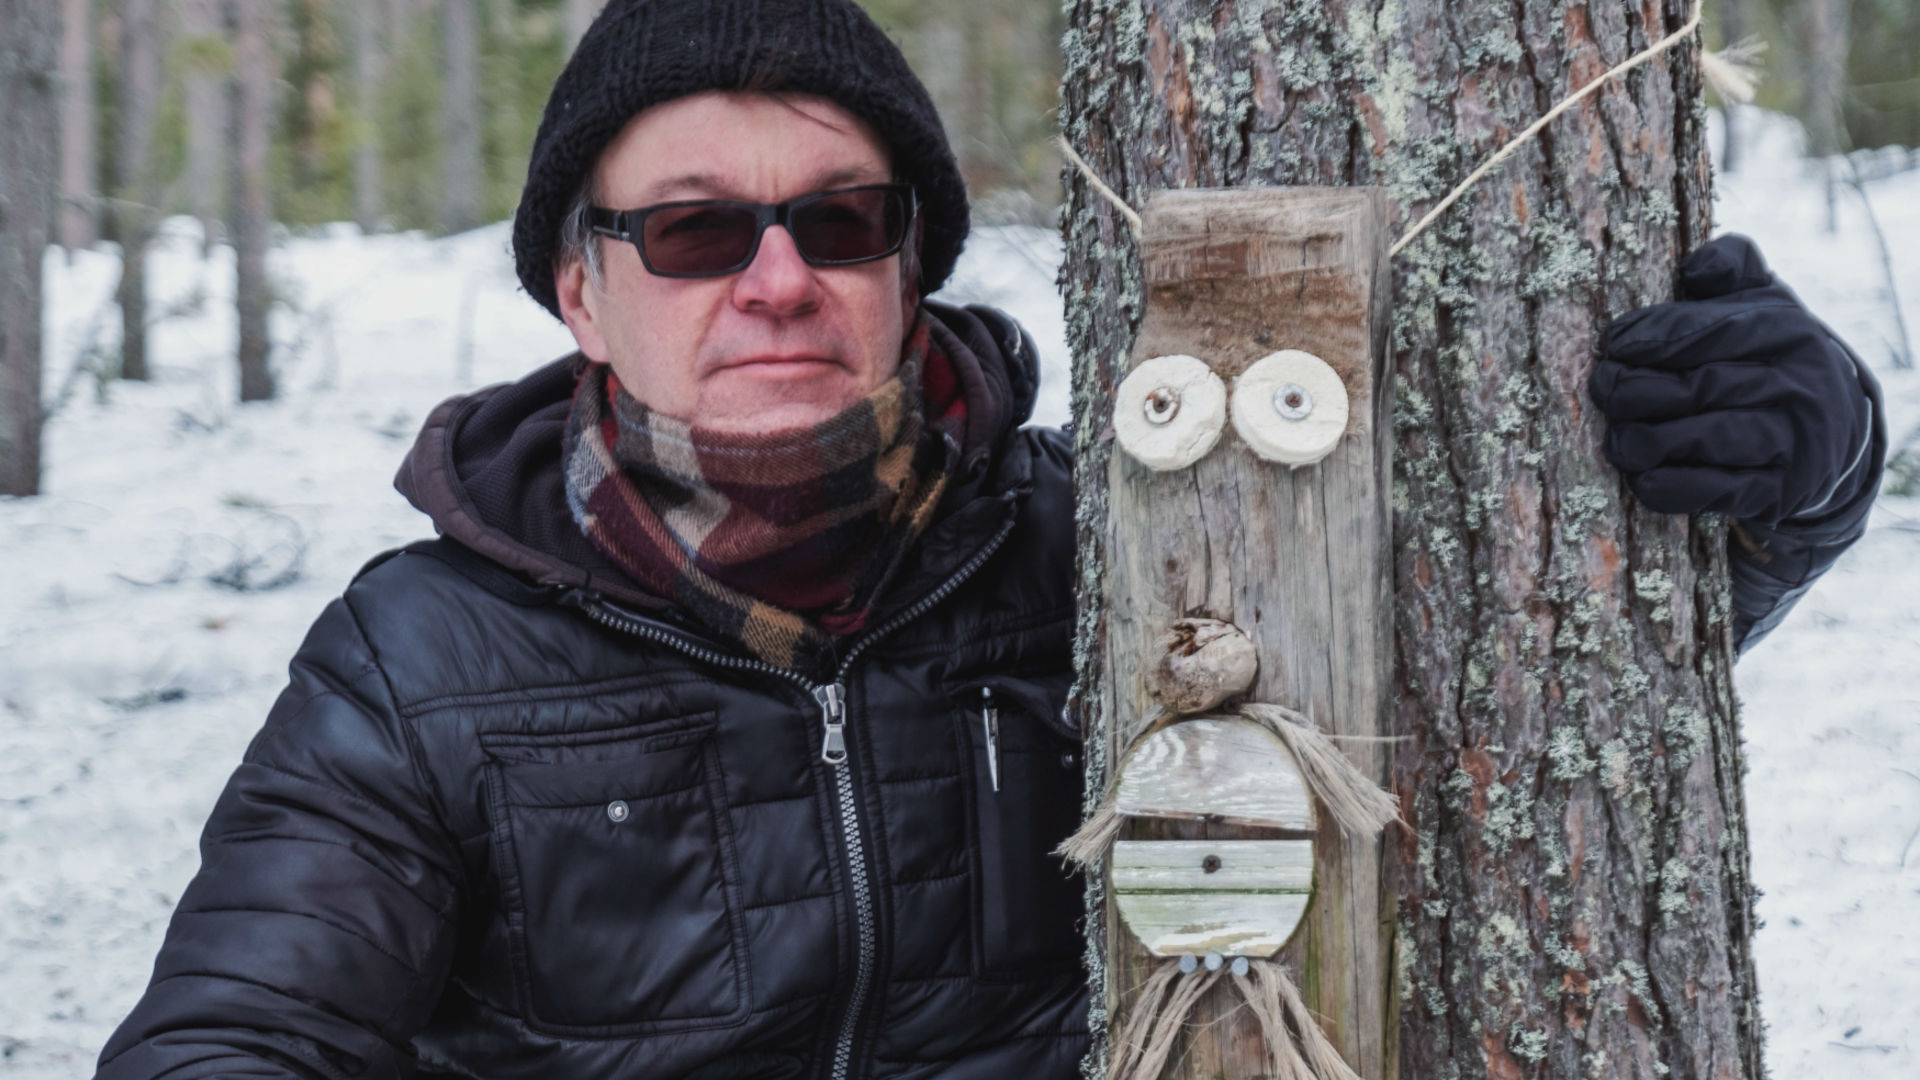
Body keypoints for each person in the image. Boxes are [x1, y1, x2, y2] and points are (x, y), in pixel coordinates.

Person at [94, 1, 1884, 1077]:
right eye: (696, 234)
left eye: (839, 221)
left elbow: (1510, 684)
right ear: (581, 288)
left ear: (908, 267)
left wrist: (1802, 473)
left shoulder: (1100, 545)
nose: (777, 280)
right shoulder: (422, 658)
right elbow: (235, 1033)